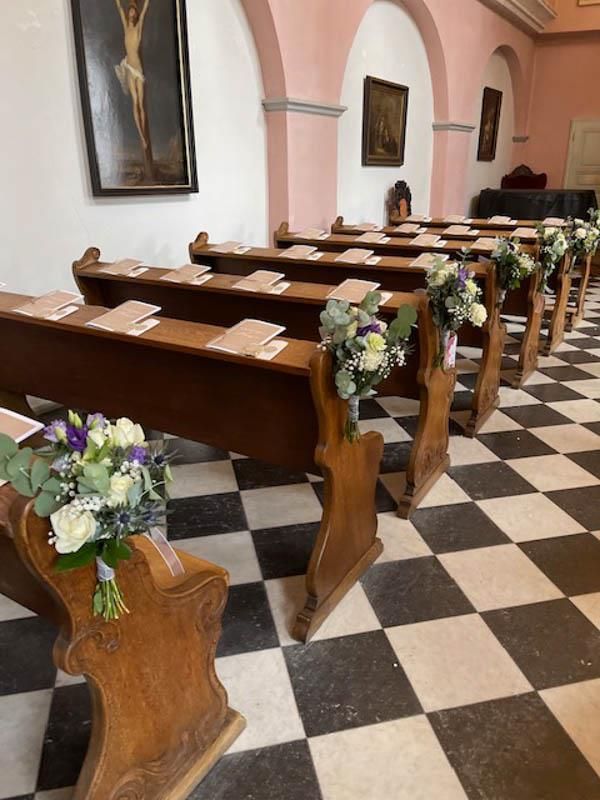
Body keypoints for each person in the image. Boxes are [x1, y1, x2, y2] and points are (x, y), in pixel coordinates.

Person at [114, 0, 151, 153]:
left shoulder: (138, 28)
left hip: (138, 69)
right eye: (130, 10)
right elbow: (119, 9)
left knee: (141, 105)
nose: (131, 13)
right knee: (135, 102)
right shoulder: (125, 28)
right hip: (129, 68)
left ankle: (144, 137)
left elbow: (144, 11)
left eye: (134, 11)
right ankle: (142, 138)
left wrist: (145, 4)